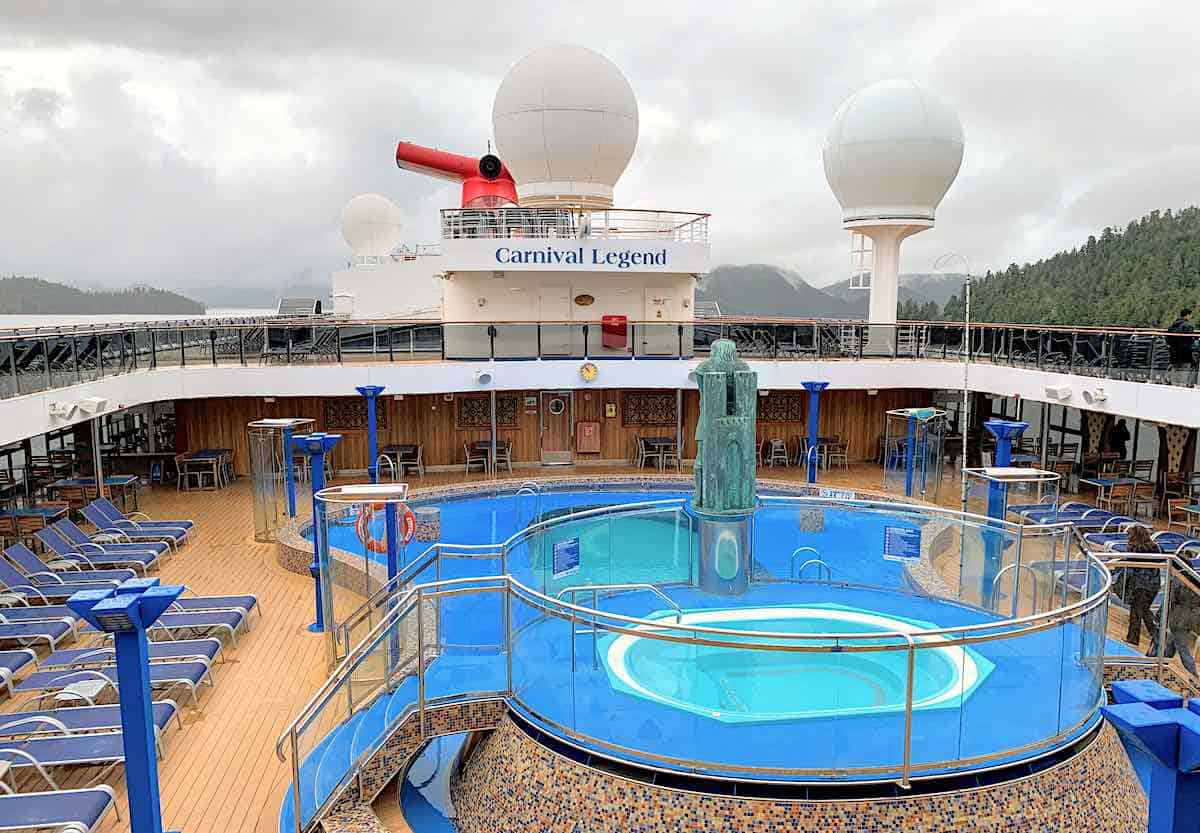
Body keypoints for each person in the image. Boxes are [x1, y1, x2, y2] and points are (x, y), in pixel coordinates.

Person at [1121, 525, 1160, 647]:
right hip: (1154, 584)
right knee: (1141, 610)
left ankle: (1156, 636)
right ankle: (1152, 636)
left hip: (1140, 585)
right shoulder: (1156, 548)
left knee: (1139, 611)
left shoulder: (1134, 549)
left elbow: (1130, 566)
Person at [1163, 576, 1200, 677]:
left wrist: (1161, 615)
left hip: (1179, 618)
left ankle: (1194, 678)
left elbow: (1170, 599)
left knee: (1183, 649)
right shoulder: (1194, 578)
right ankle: (1161, 666)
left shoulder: (1178, 579)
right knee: (1171, 643)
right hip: (1191, 618)